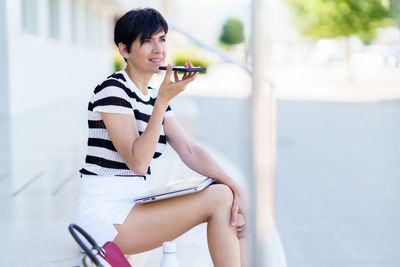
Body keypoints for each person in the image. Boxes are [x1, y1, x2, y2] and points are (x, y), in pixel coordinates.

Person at [75, 7, 249, 267]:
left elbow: (188, 150)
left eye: (162, 39)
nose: (158, 49)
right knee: (220, 198)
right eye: (147, 41)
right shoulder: (112, 90)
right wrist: (162, 102)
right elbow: (138, 162)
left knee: (230, 196)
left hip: (132, 204)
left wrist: (236, 186)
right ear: (124, 50)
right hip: (105, 217)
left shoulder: (155, 95)